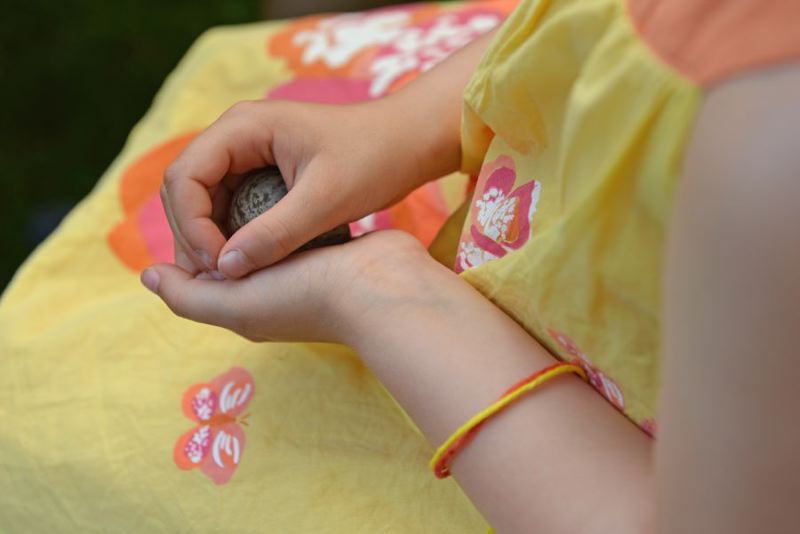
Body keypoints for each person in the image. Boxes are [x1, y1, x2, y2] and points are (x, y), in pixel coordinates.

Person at [1, 0, 798, 532]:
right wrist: (395, 130)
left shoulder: (776, 150)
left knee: (44, 413)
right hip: (498, 235)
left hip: (538, 452)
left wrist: (386, 298)